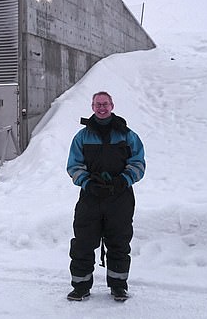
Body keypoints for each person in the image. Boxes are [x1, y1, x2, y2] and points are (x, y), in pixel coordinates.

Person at [66, 91, 146, 302]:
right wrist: (88, 183)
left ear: (112, 105)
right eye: (97, 104)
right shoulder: (82, 137)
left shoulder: (128, 135)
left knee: (119, 243)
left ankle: (118, 286)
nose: (101, 108)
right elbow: (74, 166)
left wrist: (123, 180)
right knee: (83, 242)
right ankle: (81, 287)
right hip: (90, 197)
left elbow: (138, 164)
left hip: (120, 198)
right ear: (92, 107)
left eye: (105, 104)